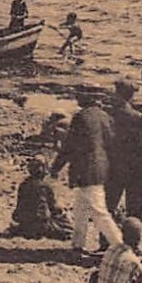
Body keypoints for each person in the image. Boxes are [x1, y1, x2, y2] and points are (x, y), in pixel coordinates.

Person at [51, 90, 122, 257]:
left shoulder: (80, 117)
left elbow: (69, 146)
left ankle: (119, 245)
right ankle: (77, 244)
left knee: (99, 211)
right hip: (101, 167)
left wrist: (56, 168)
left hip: (85, 169)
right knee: (81, 208)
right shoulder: (105, 117)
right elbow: (112, 143)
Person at [105, 78, 142, 222]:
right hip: (132, 167)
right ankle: (131, 238)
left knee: (109, 205)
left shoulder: (107, 113)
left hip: (112, 164)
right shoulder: (137, 117)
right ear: (131, 96)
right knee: (133, 207)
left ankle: (104, 240)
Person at [10, 157, 71, 240]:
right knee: (66, 224)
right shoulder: (45, 187)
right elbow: (53, 208)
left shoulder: (23, 185)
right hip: (42, 224)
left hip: (25, 223)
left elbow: (18, 210)